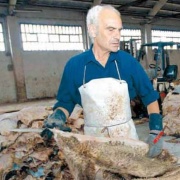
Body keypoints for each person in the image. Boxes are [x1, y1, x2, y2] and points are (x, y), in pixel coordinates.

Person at [44, 5, 163, 158]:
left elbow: (150, 97)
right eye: (111, 29)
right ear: (93, 30)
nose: (117, 36)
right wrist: (58, 116)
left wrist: (156, 132)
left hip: (127, 140)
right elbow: (66, 102)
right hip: (93, 142)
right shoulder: (75, 66)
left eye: (119, 30)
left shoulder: (128, 63)